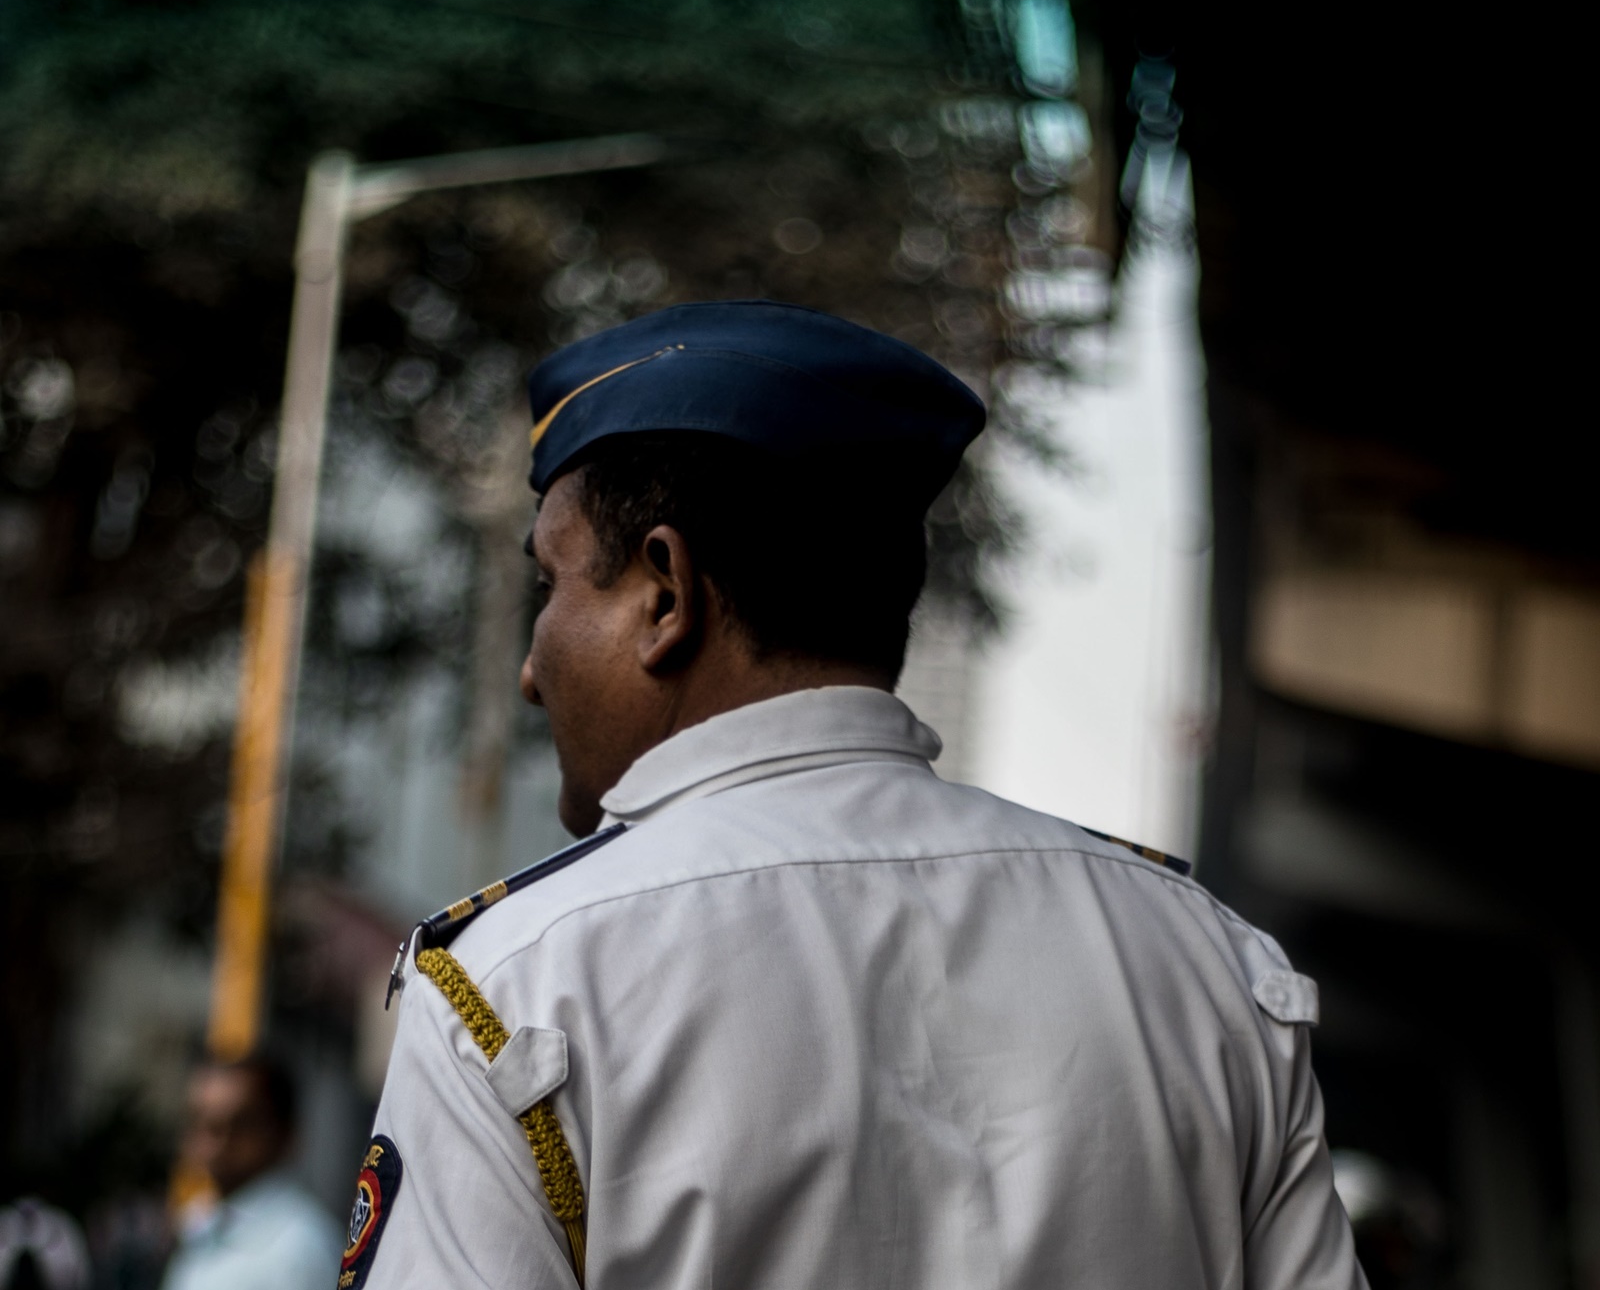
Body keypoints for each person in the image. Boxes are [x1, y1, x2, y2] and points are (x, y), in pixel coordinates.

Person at [353, 300, 1366, 1288]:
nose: (532, 667)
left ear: (665, 590)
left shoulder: (517, 984)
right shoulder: (1208, 965)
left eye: (552, 584)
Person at [161, 1054, 341, 1290]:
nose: (214, 1144)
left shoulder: (301, 1247)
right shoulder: (201, 1226)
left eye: (238, 1125)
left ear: (283, 1133)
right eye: (201, 1123)